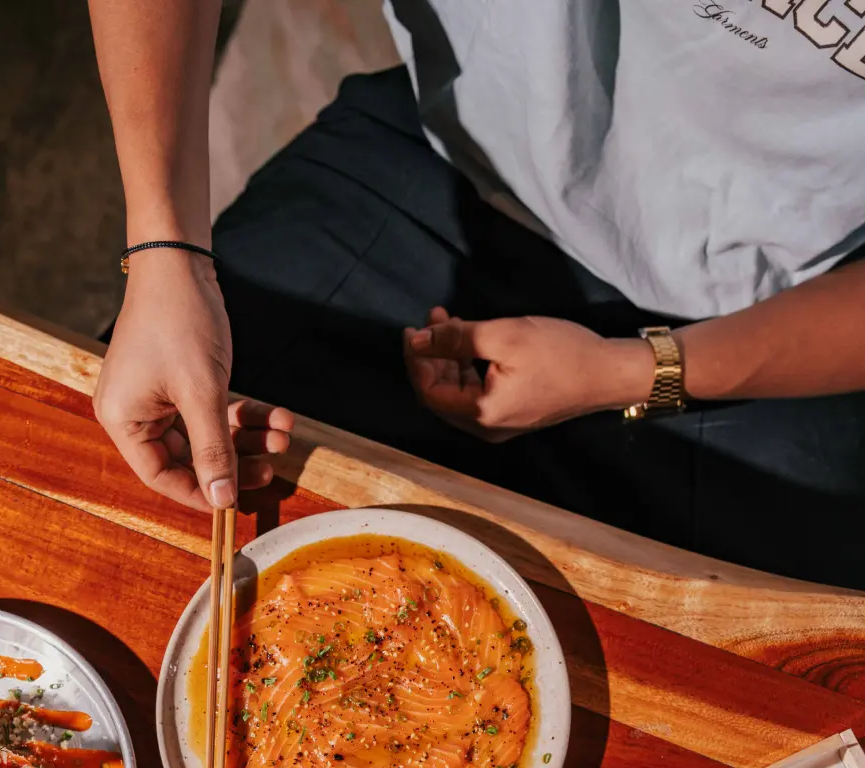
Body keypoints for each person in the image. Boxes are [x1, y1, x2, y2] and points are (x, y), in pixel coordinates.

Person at [87, 0, 865, 588]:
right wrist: (166, 253)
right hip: (451, 148)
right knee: (123, 521)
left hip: (782, 311)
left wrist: (634, 371)